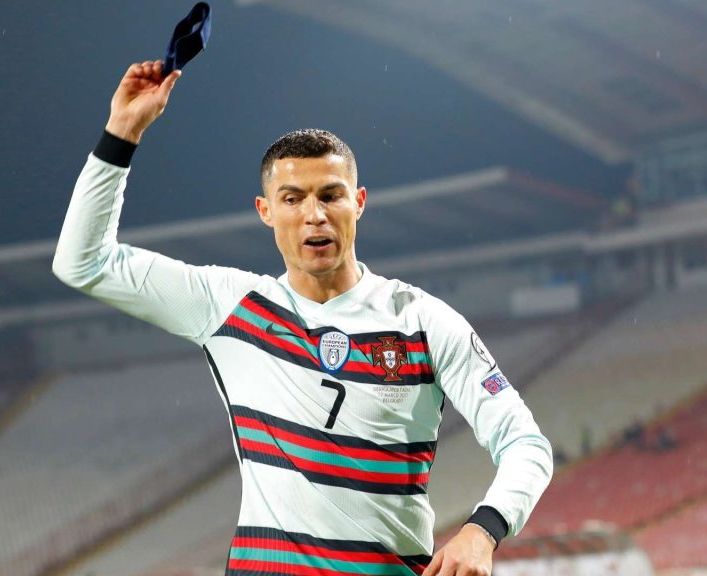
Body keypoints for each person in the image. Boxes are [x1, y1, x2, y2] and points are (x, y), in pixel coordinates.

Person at [53, 59, 553, 576]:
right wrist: (122, 132)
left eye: (331, 195)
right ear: (265, 211)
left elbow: (526, 444)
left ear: (358, 203)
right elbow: (81, 262)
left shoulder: (422, 322)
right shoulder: (230, 305)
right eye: (293, 199)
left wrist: (482, 531)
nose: (314, 214)